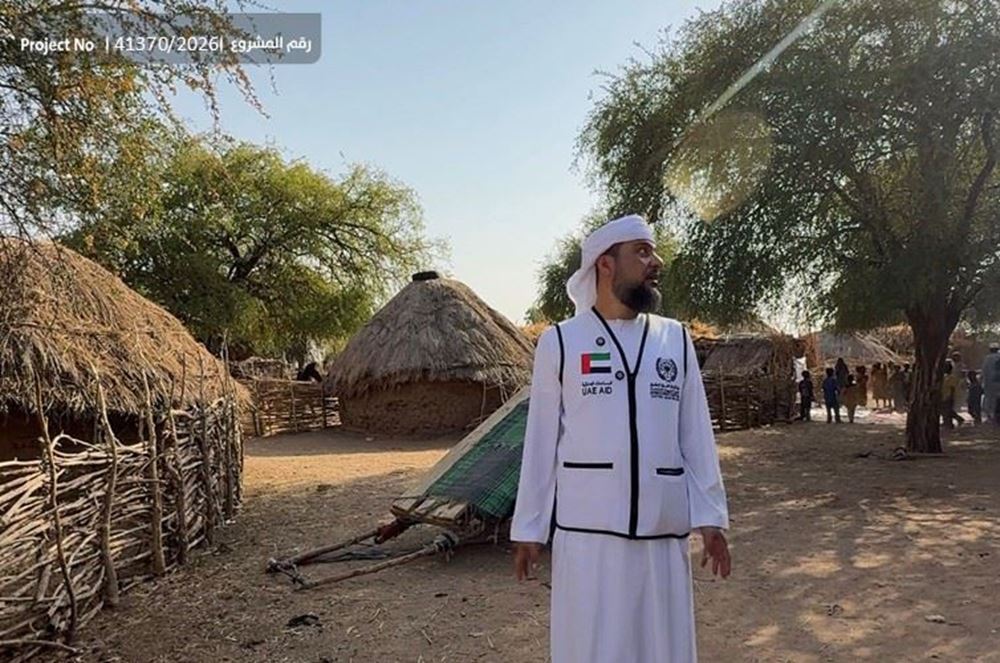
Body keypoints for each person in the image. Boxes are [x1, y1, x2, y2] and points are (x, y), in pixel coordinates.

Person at [511, 215, 730, 663]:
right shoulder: (561, 342)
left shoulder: (675, 340)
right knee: (593, 648)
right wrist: (529, 527)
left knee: (661, 648)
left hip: (661, 532)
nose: (656, 261)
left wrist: (712, 517)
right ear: (605, 264)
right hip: (589, 534)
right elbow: (540, 441)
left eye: (654, 251)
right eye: (643, 252)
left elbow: (696, 434)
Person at [940, 360, 963, 429]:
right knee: (945, 411)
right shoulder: (944, 377)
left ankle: (950, 424)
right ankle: (950, 422)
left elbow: (953, 389)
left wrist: (951, 397)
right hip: (943, 396)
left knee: (947, 411)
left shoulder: (951, 378)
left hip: (948, 397)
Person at [982, 343, 1000, 423]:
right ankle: (996, 415)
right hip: (998, 381)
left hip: (989, 382)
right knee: (997, 398)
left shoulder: (987, 358)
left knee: (989, 398)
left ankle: (989, 415)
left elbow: (984, 370)